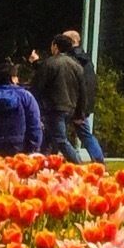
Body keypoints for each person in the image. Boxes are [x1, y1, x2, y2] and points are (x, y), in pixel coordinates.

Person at [31, 33, 91, 162]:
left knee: (60, 139)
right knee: (49, 139)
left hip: (54, 107)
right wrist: (80, 113)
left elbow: (37, 87)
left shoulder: (50, 63)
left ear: (55, 47)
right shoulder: (76, 66)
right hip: (70, 107)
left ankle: (77, 164)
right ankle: (45, 164)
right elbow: (82, 91)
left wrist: (36, 108)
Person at [60, 30, 106, 161]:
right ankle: (99, 162)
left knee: (57, 135)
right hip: (81, 105)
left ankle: (73, 161)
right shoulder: (86, 59)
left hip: (72, 104)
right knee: (85, 135)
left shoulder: (72, 60)